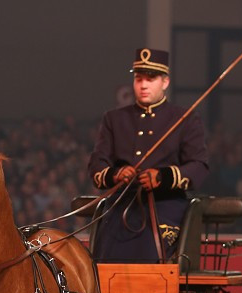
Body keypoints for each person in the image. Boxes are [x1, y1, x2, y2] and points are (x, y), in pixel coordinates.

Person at [87, 48, 209, 262]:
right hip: (121, 205)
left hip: (166, 206)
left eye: (150, 79)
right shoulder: (114, 119)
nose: (143, 85)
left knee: (149, 250)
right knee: (102, 255)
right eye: (138, 79)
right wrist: (116, 174)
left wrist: (162, 177)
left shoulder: (185, 119)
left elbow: (198, 166)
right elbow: (97, 163)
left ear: (165, 82)